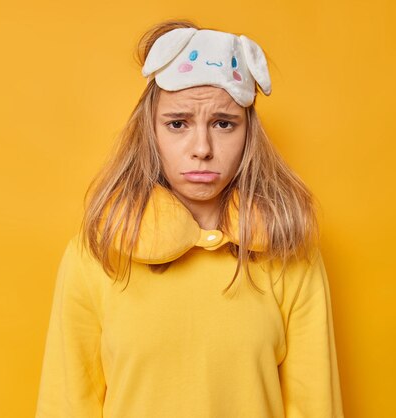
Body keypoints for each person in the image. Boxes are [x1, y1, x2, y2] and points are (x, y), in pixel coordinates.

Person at [35, 19, 345, 418]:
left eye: (223, 123)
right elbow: (67, 405)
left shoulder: (291, 254)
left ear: (248, 134)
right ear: (151, 132)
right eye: (178, 123)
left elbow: (316, 406)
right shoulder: (95, 252)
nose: (202, 148)